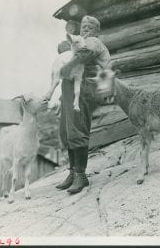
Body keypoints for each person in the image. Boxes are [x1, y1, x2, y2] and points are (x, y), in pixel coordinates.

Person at [56, 15, 111, 194]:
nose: (85, 29)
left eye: (89, 27)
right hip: (70, 88)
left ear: (96, 31)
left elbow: (86, 54)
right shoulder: (78, 43)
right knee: (66, 130)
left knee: (77, 128)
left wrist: (68, 65)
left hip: (85, 86)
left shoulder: (94, 42)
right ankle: (72, 172)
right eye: (83, 27)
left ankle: (81, 175)